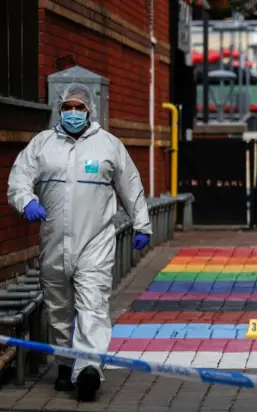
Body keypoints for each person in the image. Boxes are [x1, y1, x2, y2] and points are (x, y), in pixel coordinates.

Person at [7, 83, 152, 402]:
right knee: (59, 309)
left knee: (93, 305)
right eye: (68, 107)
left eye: (79, 108)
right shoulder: (42, 145)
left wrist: (142, 224)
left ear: (90, 110)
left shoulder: (109, 146)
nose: (73, 113)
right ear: (60, 109)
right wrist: (26, 200)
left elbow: (131, 186)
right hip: (54, 244)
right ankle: (64, 364)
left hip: (94, 245)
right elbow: (18, 180)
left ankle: (88, 370)